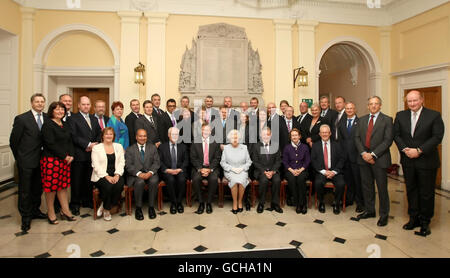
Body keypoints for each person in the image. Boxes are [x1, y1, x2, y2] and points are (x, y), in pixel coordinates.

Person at [394, 90, 445, 236]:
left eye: (415, 100)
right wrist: (405, 149)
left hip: (427, 161)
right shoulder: (400, 115)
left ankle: (425, 222)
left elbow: (437, 137)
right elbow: (396, 135)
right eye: (409, 101)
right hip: (408, 160)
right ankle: (413, 218)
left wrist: (419, 150)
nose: (412, 104)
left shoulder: (433, 115)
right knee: (411, 190)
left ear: (421, 100)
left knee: (426, 193)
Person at [10, 93, 48, 232]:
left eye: (42, 101)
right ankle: (25, 217)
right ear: (32, 103)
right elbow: (14, 141)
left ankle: (35, 210)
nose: (39, 104)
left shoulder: (47, 118)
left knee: (38, 189)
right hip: (26, 160)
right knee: (25, 190)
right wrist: (19, 158)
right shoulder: (22, 119)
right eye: (37, 101)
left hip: (42, 160)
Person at [354, 96, 393, 226]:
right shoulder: (362, 120)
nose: (373, 106)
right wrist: (364, 153)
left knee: (382, 188)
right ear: (368, 106)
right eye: (371, 104)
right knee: (367, 187)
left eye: (376, 104)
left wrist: (373, 155)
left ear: (380, 105)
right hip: (363, 158)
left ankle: (384, 215)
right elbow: (357, 138)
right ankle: (370, 210)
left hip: (380, 159)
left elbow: (388, 140)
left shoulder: (387, 120)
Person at [40, 101, 76, 224]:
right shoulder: (48, 124)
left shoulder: (65, 124)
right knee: (51, 188)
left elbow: (70, 141)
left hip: (65, 161)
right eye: (57, 109)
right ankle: (50, 212)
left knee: (63, 187)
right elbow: (50, 143)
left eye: (62, 110)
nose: (60, 111)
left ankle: (65, 210)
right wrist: (64, 156)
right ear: (52, 111)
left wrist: (71, 155)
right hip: (51, 161)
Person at [68, 96, 102, 215]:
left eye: (88, 104)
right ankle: (75, 204)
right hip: (79, 154)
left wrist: (95, 144)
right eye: (83, 104)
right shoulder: (72, 118)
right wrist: (87, 144)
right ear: (78, 105)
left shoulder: (93, 118)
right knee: (77, 181)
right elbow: (73, 135)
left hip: (92, 155)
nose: (86, 106)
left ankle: (87, 200)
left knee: (89, 180)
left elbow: (99, 133)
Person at [125, 129, 160, 220]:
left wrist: (150, 172)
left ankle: (151, 207)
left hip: (150, 173)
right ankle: (138, 208)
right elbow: (128, 165)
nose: (142, 138)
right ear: (136, 137)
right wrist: (139, 174)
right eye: (140, 136)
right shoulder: (130, 149)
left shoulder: (152, 147)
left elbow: (156, 163)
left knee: (154, 180)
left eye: (144, 136)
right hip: (135, 175)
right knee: (140, 182)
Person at [91, 127, 125, 221]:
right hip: (101, 175)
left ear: (113, 136)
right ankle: (107, 210)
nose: (109, 136)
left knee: (119, 185)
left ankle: (104, 205)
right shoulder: (96, 148)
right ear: (102, 136)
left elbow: (122, 162)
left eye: (111, 134)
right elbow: (95, 165)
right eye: (106, 134)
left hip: (115, 173)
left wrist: (117, 174)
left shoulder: (119, 146)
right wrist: (107, 176)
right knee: (108, 186)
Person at [311, 125, 346, 214]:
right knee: (318, 183)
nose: (324, 134)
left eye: (326, 132)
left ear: (330, 133)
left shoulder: (337, 145)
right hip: (322, 171)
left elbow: (342, 159)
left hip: (335, 171)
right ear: (319, 134)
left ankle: (336, 203)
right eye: (322, 132)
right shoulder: (315, 145)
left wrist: (334, 172)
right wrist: (323, 171)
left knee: (341, 183)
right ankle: (321, 202)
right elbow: (313, 160)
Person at [338, 102, 364, 213]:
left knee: (358, 180)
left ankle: (360, 203)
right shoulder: (341, 122)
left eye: (351, 108)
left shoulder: (360, 122)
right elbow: (340, 140)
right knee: (348, 180)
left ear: (355, 109)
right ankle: (349, 199)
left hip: (356, 156)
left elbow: (361, 140)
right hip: (345, 157)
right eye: (347, 108)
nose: (349, 110)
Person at [190, 123, 221, 214]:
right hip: (199, 167)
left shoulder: (215, 142)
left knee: (214, 179)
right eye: (204, 130)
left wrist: (210, 169)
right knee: (196, 179)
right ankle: (201, 202)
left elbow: (217, 158)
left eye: (207, 130)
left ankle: (209, 203)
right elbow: (193, 157)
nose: (205, 132)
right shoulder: (195, 141)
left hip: (212, 168)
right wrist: (200, 169)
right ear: (201, 131)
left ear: (210, 131)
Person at [251, 127, 283, 213]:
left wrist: (272, 171)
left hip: (273, 170)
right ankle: (261, 203)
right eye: (264, 134)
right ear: (261, 135)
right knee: (264, 180)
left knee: (277, 180)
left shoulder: (275, 145)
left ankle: (275, 203)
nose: (266, 136)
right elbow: (255, 161)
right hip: (261, 171)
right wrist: (264, 171)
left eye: (268, 134)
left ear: (271, 135)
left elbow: (278, 161)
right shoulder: (257, 146)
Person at [220, 130, 252, 214]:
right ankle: (234, 202)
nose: (235, 139)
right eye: (233, 137)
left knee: (241, 180)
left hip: (242, 170)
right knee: (234, 180)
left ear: (239, 138)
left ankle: (240, 201)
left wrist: (242, 169)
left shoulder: (244, 147)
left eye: (236, 137)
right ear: (229, 139)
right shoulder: (226, 148)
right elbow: (222, 162)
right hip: (230, 171)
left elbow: (249, 162)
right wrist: (232, 169)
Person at [159, 127, 189, 214]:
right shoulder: (162, 147)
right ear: (168, 135)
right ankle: (173, 202)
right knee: (170, 179)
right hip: (167, 171)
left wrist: (180, 169)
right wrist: (167, 170)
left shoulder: (183, 147)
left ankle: (179, 202)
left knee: (182, 179)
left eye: (176, 134)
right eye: (173, 134)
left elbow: (186, 160)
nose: (175, 136)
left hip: (180, 170)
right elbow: (159, 161)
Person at [283, 128, 311, 214]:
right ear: (290, 137)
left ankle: (303, 204)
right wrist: (292, 170)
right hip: (290, 170)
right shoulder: (287, 147)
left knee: (300, 179)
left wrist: (301, 170)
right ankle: (298, 204)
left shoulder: (305, 147)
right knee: (292, 179)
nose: (294, 137)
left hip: (303, 170)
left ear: (299, 136)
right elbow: (284, 161)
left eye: (296, 135)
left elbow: (307, 161)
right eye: (292, 135)